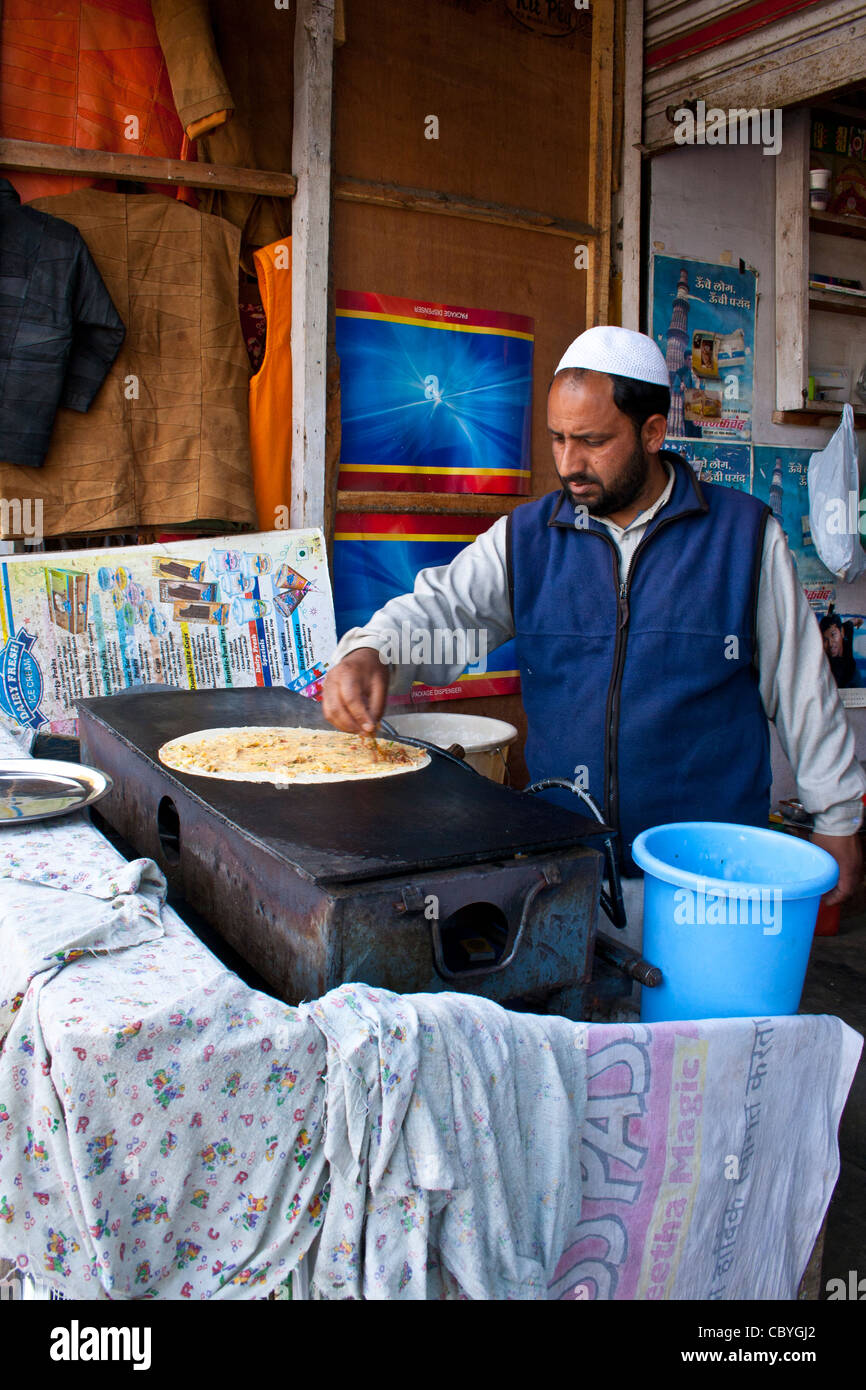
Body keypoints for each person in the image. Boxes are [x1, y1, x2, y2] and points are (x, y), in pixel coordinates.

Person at [323, 326, 865, 928]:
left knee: (704, 1025)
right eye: (557, 438)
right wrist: (373, 651)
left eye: (592, 441)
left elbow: (802, 690)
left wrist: (836, 816)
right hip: (565, 873)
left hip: (707, 884)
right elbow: (446, 614)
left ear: (653, 432)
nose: (569, 464)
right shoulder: (528, 541)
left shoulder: (743, 539)